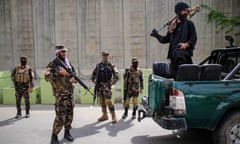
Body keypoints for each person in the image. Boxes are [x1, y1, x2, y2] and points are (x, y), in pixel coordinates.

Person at [150, 1, 197, 78]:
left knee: (184, 78)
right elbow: (165, 39)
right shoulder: (173, 26)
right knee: (174, 79)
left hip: (184, 58)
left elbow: (193, 38)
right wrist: (157, 35)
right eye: (184, 10)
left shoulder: (189, 24)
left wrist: (186, 44)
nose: (186, 12)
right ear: (178, 12)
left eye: (186, 11)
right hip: (173, 57)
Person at [45, 45, 77, 144]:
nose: (64, 53)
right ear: (57, 53)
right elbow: (47, 77)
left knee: (69, 115)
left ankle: (67, 133)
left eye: (65, 52)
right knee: (60, 116)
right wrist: (60, 74)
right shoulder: (52, 64)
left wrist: (73, 79)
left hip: (69, 93)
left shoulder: (68, 63)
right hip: (60, 94)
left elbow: (73, 74)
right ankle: (54, 136)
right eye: (62, 52)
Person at [91, 51, 119, 123]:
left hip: (107, 86)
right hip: (99, 86)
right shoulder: (98, 66)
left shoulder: (111, 65)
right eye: (104, 55)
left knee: (108, 101)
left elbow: (117, 76)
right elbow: (92, 76)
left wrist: (112, 82)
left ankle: (113, 116)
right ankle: (105, 115)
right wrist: (94, 81)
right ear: (102, 56)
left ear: (108, 56)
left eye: (106, 56)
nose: (105, 57)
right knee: (102, 102)